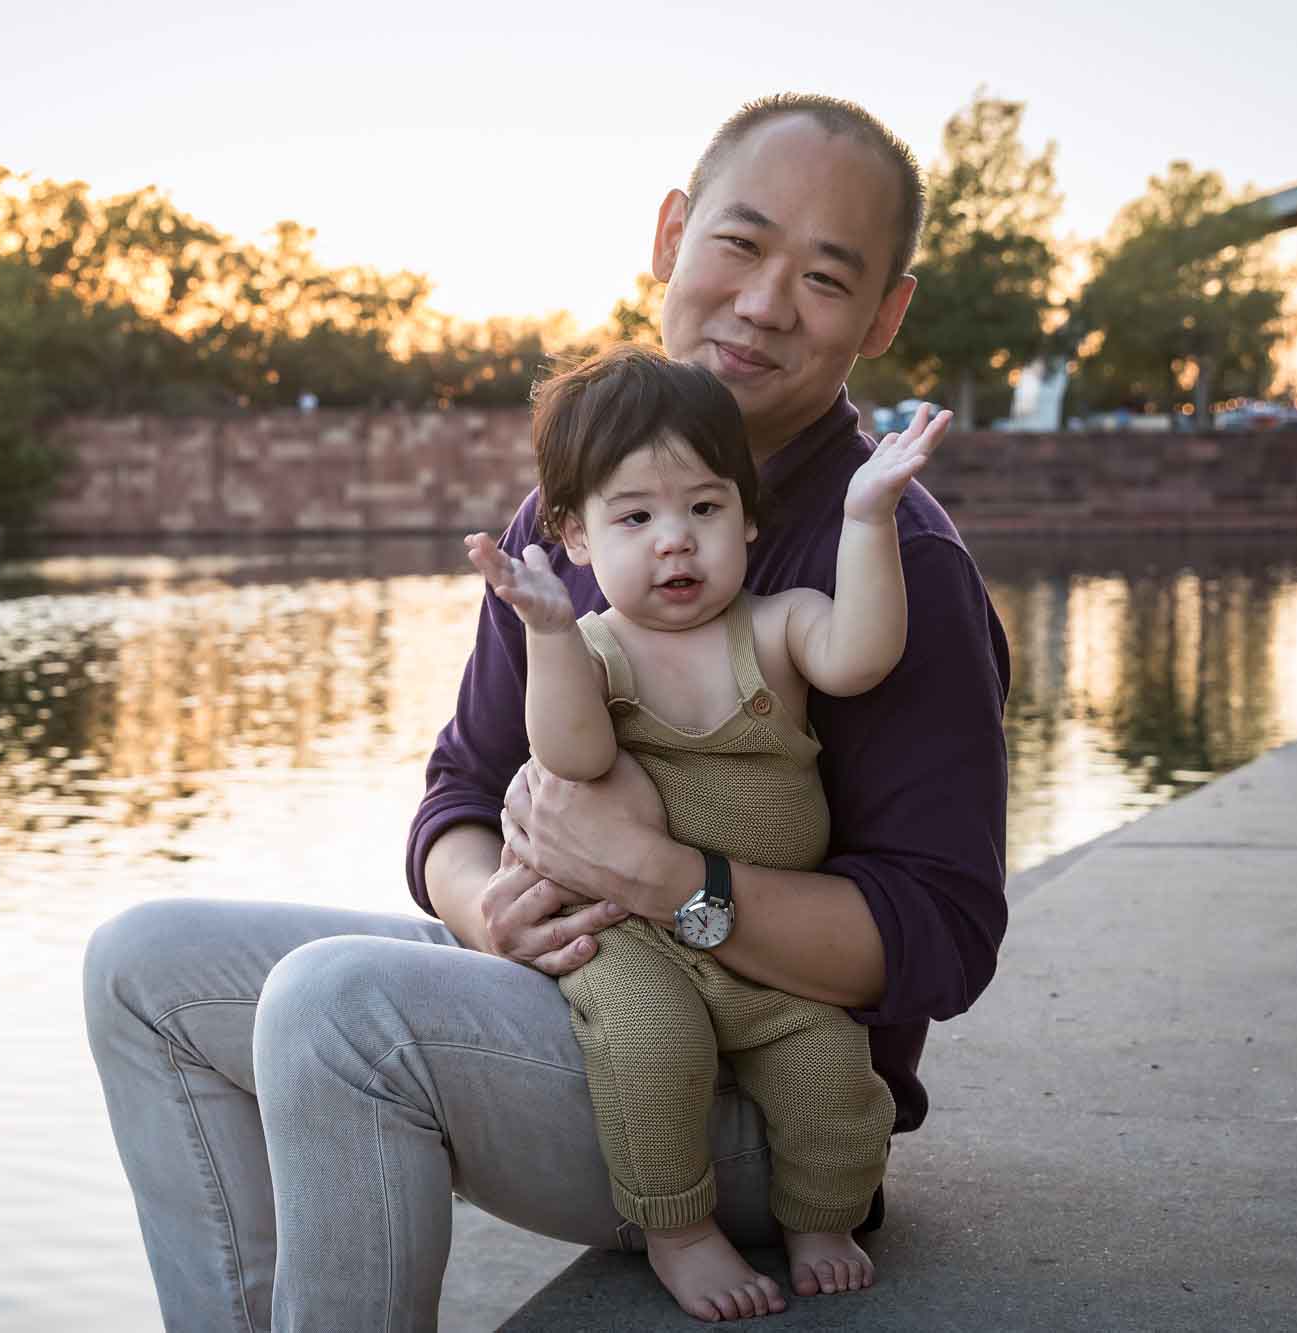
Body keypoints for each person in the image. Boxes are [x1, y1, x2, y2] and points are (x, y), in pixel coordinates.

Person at [83, 92, 1010, 1333]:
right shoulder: (567, 518)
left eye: (826, 278)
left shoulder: (896, 562)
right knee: (140, 966)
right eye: (738, 244)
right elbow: (463, 791)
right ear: (672, 234)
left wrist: (661, 873)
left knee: (334, 1007)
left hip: (757, 1101)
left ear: (885, 314)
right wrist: (488, 909)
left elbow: (939, 938)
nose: (764, 302)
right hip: (570, 988)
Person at [462, 342, 950, 1320]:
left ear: (747, 514)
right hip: (630, 935)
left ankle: (821, 1216)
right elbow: (574, 757)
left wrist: (866, 516)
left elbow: (861, 654)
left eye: (702, 508)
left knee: (828, 1067)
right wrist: (551, 635)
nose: (674, 541)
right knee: (650, 1044)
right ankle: (677, 1229)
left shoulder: (777, 626)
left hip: (760, 943)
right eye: (634, 517)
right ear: (573, 534)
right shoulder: (594, 647)